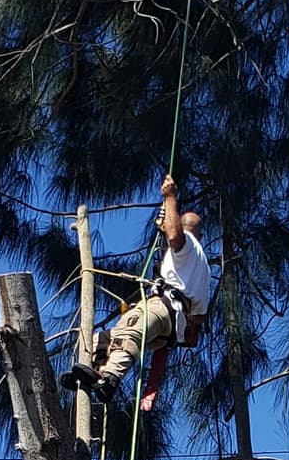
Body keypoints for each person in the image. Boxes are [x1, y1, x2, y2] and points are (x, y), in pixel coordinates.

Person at [65, 175, 211, 412]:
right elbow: (196, 326)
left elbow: (174, 236)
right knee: (100, 340)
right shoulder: (203, 270)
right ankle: (94, 370)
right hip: (171, 330)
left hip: (163, 307)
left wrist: (170, 197)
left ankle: (109, 378)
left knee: (128, 334)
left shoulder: (188, 245)